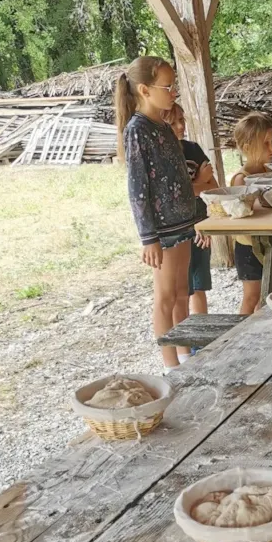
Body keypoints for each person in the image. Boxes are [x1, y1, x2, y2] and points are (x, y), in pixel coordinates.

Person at [115, 57, 195, 372]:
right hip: (162, 230)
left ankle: (186, 354)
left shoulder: (163, 124)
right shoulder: (137, 130)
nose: (173, 91)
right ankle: (170, 365)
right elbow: (137, 189)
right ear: (145, 90)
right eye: (168, 86)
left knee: (181, 292)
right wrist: (148, 238)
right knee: (164, 297)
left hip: (182, 223)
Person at [165, 103, 218, 342]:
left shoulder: (193, 150)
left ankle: (201, 339)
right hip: (177, 231)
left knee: (199, 285)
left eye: (182, 120)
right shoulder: (163, 157)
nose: (180, 126)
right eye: (173, 122)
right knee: (180, 291)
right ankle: (184, 341)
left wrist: (205, 222)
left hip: (199, 228)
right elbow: (172, 198)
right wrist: (199, 181)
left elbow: (214, 188)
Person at [228, 113, 272, 315]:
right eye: (266, 144)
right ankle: (236, 337)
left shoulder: (268, 172)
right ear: (247, 148)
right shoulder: (241, 180)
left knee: (268, 294)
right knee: (251, 297)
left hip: (265, 243)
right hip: (248, 247)